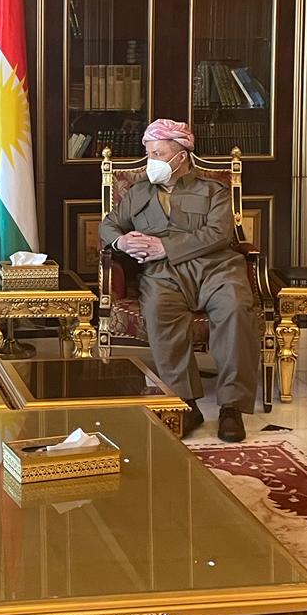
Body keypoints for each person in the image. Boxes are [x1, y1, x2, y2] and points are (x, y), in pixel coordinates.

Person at [99, 118, 259, 442]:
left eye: (158, 154)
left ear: (180, 156)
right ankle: (184, 404)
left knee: (235, 308)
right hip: (163, 275)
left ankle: (232, 408)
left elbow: (219, 234)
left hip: (216, 269)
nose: (151, 162)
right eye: (148, 154)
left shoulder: (213, 191)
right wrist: (121, 241)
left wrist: (165, 246)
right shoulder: (138, 193)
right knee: (159, 309)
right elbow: (108, 224)